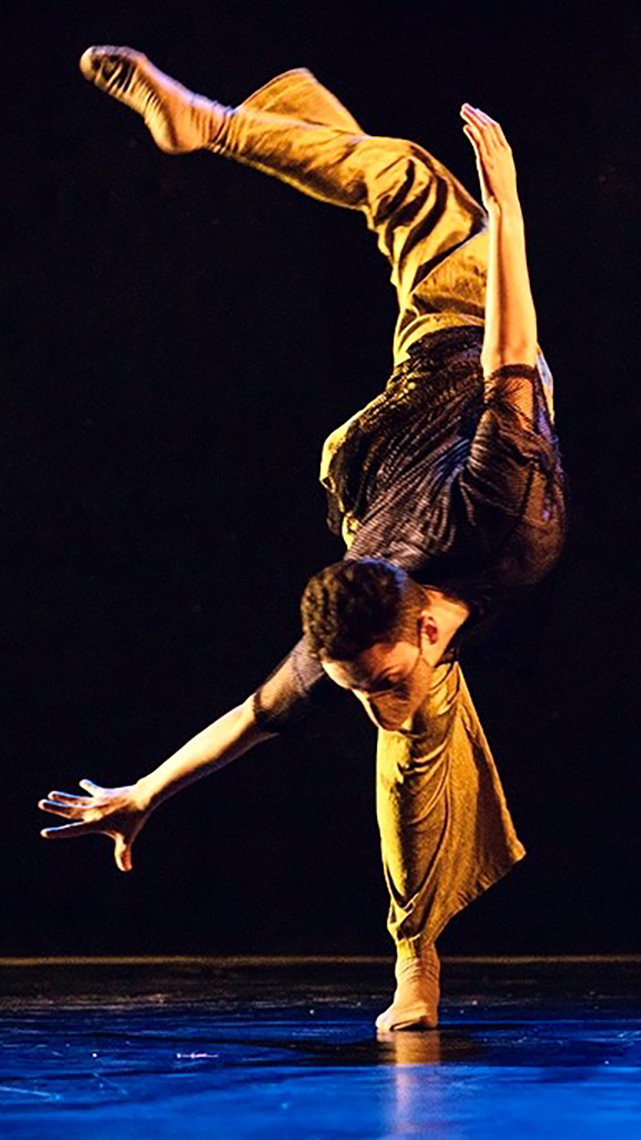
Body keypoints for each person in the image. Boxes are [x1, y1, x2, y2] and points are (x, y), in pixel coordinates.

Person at [38, 47, 567, 1032]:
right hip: (389, 458)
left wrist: (506, 217)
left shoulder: (492, 505)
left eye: (382, 681)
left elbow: (509, 352)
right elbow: (254, 711)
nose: (373, 702)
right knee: (410, 762)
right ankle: (414, 971)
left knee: (408, 177)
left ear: (411, 625)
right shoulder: (379, 637)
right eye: (363, 689)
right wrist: (146, 791)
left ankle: (215, 123)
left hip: (441, 355)